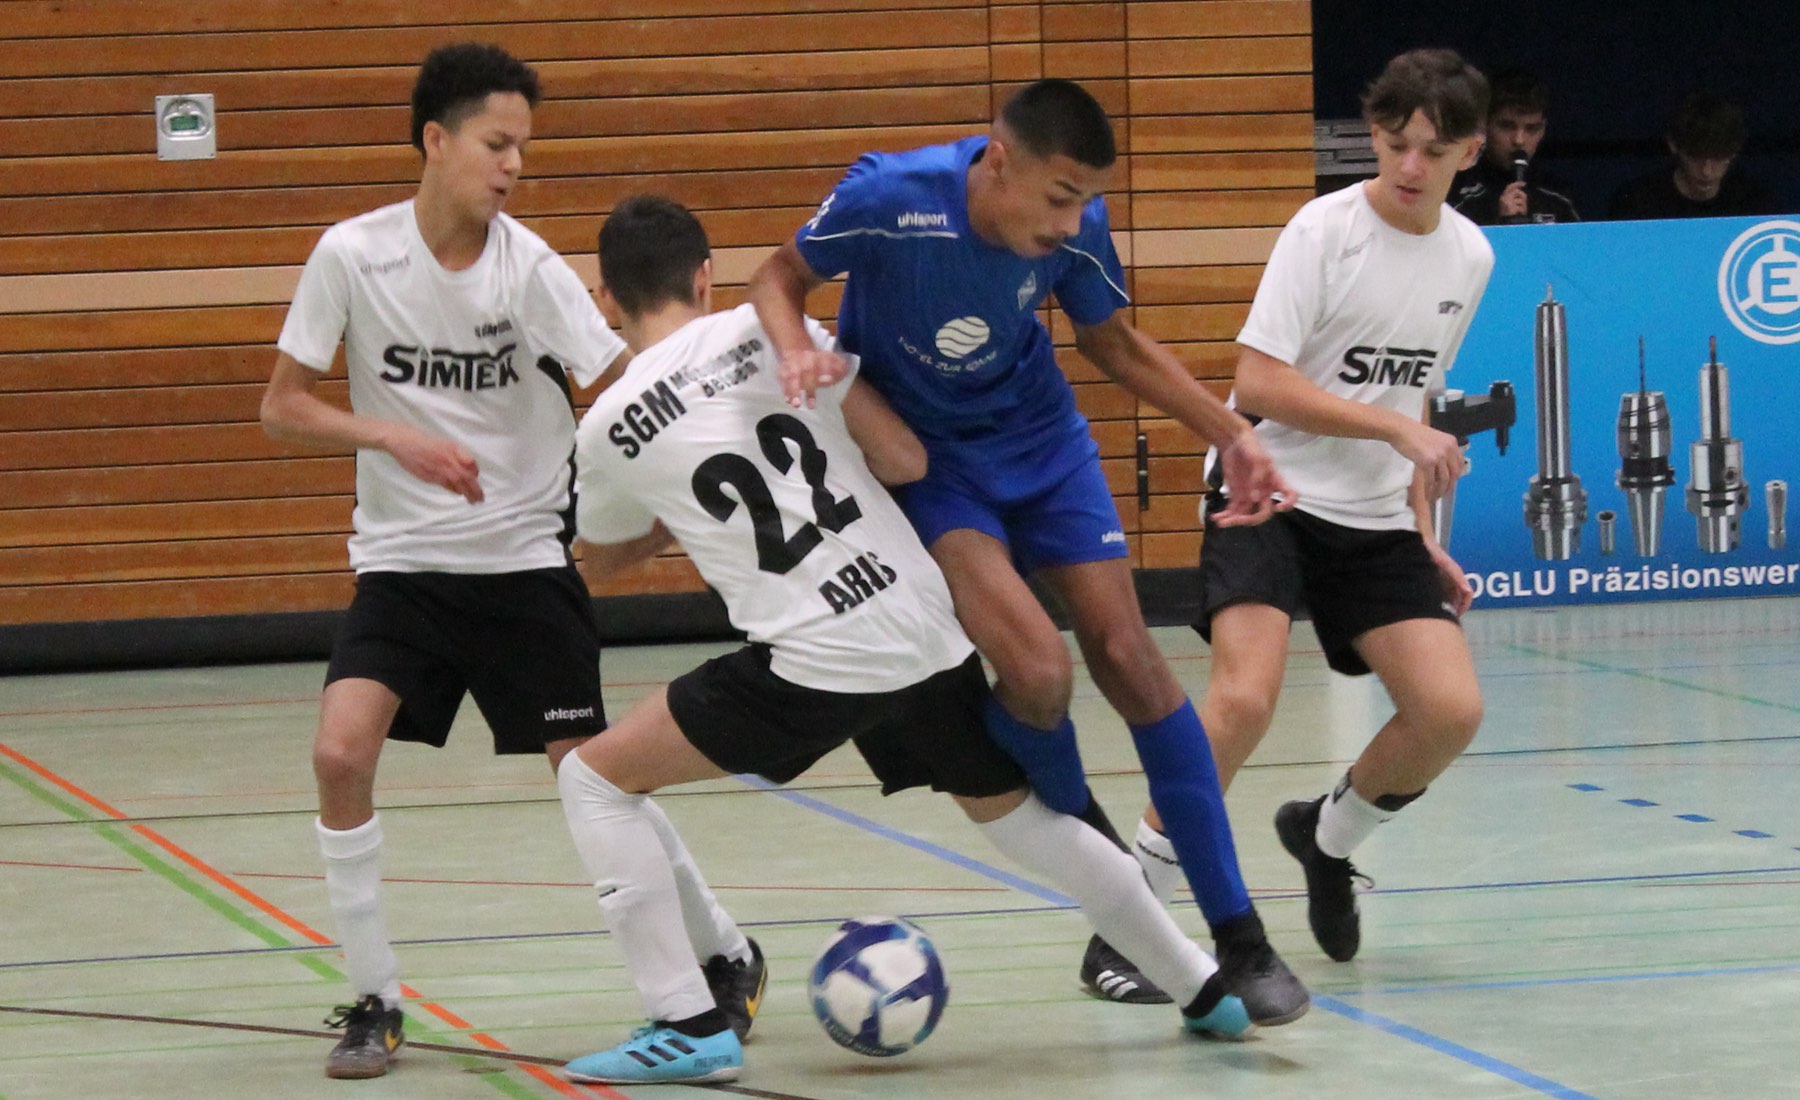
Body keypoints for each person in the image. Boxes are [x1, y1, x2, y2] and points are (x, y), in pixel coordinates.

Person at [557, 195, 1256, 1085]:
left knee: (595, 780)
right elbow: (905, 462)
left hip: (812, 660)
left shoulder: (608, 424)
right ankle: (1204, 987)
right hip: (919, 626)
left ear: (605, 301)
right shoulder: (773, 331)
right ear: (704, 277)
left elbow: (604, 558)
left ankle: (686, 1021)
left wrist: (669, 505)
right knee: (1026, 823)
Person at [747, 78, 1308, 1024]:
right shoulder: (891, 197)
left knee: (1131, 659)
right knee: (1040, 675)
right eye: (1058, 196)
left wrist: (1231, 432)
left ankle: (1241, 936)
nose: (1071, 221)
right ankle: (1103, 862)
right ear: (999, 162)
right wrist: (792, 348)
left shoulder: (1076, 229)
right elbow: (775, 278)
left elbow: (1114, 343)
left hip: (1043, 444)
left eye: (1086, 200)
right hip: (933, 468)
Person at [259, 44, 765, 1081]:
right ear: (435, 141)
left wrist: (671, 512)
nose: (514, 166)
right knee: (340, 755)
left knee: (593, 775)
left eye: (523, 148)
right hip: (403, 567)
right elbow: (283, 407)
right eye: (497, 144)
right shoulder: (352, 256)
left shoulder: (530, 271)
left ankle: (724, 948)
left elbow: (632, 385)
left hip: (527, 567)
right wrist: (392, 437)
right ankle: (375, 998)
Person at [1137, 48, 1493, 963]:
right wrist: (1394, 430)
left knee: (1449, 711)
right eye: (1395, 142)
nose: (1410, 165)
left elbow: (1415, 399)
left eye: (1434, 151)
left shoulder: (1470, 255)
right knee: (1243, 701)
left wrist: (1423, 534)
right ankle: (1130, 921)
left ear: (1470, 153)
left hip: (1374, 518)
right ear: (1374, 135)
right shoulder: (1322, 231)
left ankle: (1325, 840)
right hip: (1271, 492)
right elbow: (1258, 383)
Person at [1609, 90, 1781, 220]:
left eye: (1718, 157)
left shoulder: (1756, 204)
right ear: (1674, 146)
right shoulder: (1637, 203)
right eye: (1695, 157)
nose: (1706, 171)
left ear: (1734, 152)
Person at [1450, 67, 1580, 225]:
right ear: (1485, 126)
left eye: (1531, 129)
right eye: (1507, 126)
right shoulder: (1456, 194)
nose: (1519, 140)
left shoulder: (1560, 197)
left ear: (1543, 131)